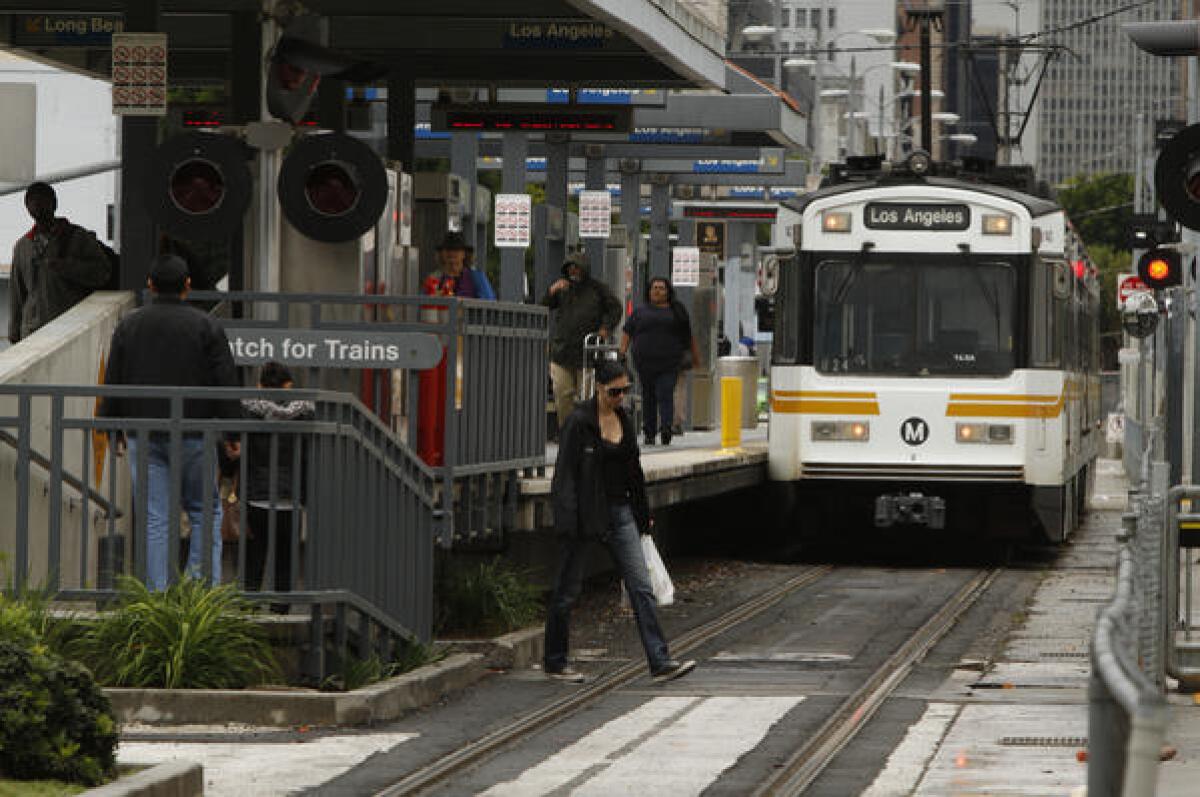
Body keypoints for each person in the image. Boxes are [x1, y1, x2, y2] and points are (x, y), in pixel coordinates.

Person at [544, 359, 695, 684]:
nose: (620, 397)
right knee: (568, 590)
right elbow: (565, 476)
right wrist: (567, 521)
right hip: (586, 513)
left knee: (641, 586)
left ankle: (660, 659)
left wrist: (643, 517)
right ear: (599, 388)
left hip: (620, 511)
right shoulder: (579, 422)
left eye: (625, 391)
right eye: (615, 391)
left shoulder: (625, 420)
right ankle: (555, 660)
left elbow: (634, 473)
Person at [99, 254, 240, 591]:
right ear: (187, 286)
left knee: (155, 518)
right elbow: (225, 382)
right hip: (194, 433)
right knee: (204, 511)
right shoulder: (207, 326)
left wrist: (112, 425)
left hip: (143, 434)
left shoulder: (129, 324)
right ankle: (198, 590)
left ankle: (157, 596)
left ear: (150, 285)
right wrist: (233, 432)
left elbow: (113, 379)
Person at [239, 362, 314, 609]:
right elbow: (307, 458)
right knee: (286, 559)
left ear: (260, 385)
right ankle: (281, 612)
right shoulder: (304, 415)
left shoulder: (248, 412)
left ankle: (248, 610)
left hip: (255, 496)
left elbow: (238, 455)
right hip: (290, 498)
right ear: (289, 386)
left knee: (254, 556)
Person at [8, 182, 111, 344]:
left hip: (68, 328)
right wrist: (14, 331)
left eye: (42, 200)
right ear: (26, 207)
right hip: (32, 333)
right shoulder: (23, 246)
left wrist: (67, 267)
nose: (37, 205)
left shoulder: (77, 237)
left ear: (54, 203)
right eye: (31, 201)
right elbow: (17, 291)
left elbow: (103, 272)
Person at [542, 254, 622, 432]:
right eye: (570, 267)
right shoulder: (562, 289)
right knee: (562, 394)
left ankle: (588, 431)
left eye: (576, 267)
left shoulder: (598, 289)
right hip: (562, 352)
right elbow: (542, 306)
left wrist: (605, 329)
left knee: (588, 397)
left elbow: (616, 308)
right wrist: (551, 291)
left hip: (588, 354)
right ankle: (567, 431)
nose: (573, 271)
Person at [619, 277, 701, 447]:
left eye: (661, 288)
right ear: (649, 291)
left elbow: (688, 335)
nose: (657, 291)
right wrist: (621, 352)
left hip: (669, 363)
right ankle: (649, 432)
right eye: (654, 288)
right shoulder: (639, 312)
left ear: (668, 291)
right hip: (644, 363)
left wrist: (695, 357)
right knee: (648, 396)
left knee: (665, 394)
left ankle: (665, 428)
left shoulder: (676, 311)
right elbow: (627, 332)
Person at [422, 231, 496, 299]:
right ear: (442, 254)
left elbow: (489, 302)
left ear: (464, 254)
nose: (451, 253)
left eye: (456, 250)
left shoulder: (476, 277)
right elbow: (424, 302)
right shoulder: (434, 278)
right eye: (448, 249)